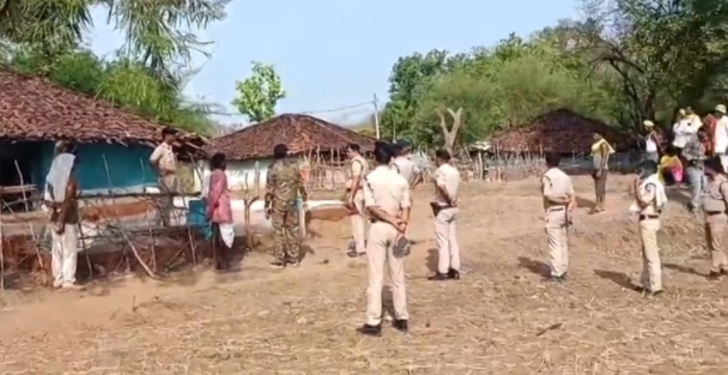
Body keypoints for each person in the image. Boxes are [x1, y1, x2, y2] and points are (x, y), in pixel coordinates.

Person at [357, 143, 411, 336]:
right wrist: (401, 226)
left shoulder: (370, 179)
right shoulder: (400, 180)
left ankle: (373, 321)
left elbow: (371, 207)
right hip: (397, 229)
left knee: (376, 276)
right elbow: (406, 206)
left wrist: (389, 220)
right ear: (391, 159)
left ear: (375, 158)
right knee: (397, 275)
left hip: (379, 228)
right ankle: (402, 317)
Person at [44, 142, 81, 290]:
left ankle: (58, 278)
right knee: (69, 249)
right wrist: (62, 218)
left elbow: (47, 200)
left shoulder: (50, 179)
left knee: (57, 248)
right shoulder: (70, 179)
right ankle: (68, 281)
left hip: (53, 215)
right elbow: (69, 200)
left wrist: (54, 214)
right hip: (68, 218)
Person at [265, 144, 308, 268]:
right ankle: (294, 258)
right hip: (292, 203)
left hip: (278, 204)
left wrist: (267, 205)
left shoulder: (272, 168)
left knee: (278, 231)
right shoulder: (294, 167)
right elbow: (301, 184)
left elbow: (270, 189)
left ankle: (279, 260)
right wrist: (304, 197)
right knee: (293, 230)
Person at [629, 159, 667, 297]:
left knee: (651, 255)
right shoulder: (653, 183)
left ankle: (655, 286)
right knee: (646, 254)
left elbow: (643, 202)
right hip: (650, 219)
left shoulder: (651, 184)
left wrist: (635, 187)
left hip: (648, 220)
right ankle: (645, 283)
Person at [541, 152, 576, 282]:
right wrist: (569, 207)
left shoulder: (547, 176)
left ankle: (557, 273)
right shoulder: (565, 177)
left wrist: (563, 201)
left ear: (547, 162)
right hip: (565, 213)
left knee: (555, 243)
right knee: (562, 242)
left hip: (554, 211)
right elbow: (572, 196)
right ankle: (563, 269)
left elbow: (548, 195)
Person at [427, 149, 461, 281]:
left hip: (444, 207)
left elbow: (441, 186)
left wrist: (448, 199)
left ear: (439, 158)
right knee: (452, 239)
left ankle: (443, 270)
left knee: (442, 241)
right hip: (453, 208)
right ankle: (455, 267)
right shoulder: (455, 171)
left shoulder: (440, 171)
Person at [702, 156, 728, 280]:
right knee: (711, 244)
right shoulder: (709, 182)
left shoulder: (723, 183)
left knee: (716, 245)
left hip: (718, 216)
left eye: (705, 167)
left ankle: (714, 270)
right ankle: (724, 265)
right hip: (709, 216)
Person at [207, 153, 234, 272]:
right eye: (224, 161)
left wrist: (210, 209)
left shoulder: (214, 175)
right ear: (220, 163)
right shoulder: (220, 175)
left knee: (216, 235)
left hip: (216, 211)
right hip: (221, 209)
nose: (226, 164)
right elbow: (216, 193)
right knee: (225, 236)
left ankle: (217, 262)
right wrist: (211, 207)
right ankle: (224, 262)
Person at [345, 143, 369, 258]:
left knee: (357, 221)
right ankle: (365, 245)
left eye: (349, 151)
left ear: (355, 151)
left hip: (357, 193)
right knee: (364, 220)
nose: (347, 154)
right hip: (363, 192)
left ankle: (360, 248)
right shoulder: (363, 161)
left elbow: (356, 179)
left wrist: (351, 197)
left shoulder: (356, 162)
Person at [149, 127, 178, 226]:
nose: (174, 138)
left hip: (172, 176)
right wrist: (160, 170)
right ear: (167, 135)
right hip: (166, 177)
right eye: (173, 135)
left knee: (169, 201)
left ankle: (166, 222)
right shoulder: (161, 148)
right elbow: (152, 160)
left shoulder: (170, 148)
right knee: (163, 201)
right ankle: (158, 224)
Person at [682, 128, 707, 212]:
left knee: (704, 184)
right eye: (704, 133)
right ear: (700, 132)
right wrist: (693, 158)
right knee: (697, 185)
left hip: (700, 167)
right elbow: (684, 152)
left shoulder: (702, 142)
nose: (705, 136)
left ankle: (693, 202)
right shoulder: (692, 142)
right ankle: (693, 205)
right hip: (692, 167)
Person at [590, 133, 614, 213]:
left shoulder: (603, 144)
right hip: (597, 167)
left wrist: (600, 169)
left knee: (599, 187)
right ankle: (602, 204)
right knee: (600, 186)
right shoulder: (597, 144)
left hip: (601, 168)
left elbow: (604, 157)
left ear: (600, 135)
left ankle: (598, 205)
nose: (593, 136)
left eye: (595, 135)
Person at [713, 105, 728, 170]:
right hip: (715, 145)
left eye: (719, 112)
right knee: (717, 163)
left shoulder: (726, 120)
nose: (717, 113)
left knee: (725, 162)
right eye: (717, 111)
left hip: (724, 146)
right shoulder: (714, 120)